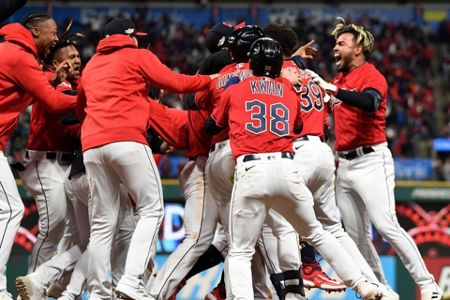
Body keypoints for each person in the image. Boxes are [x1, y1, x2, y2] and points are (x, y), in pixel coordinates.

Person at [210, 36, 385, 300]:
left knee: (240, 251)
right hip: (286, 168)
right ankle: (363, 284)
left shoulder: (236, 88)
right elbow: (298, 127)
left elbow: (210, 126)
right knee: (317, 232)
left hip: (251, 171)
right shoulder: (289, 88)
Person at [307, 20, 448, 300]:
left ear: (358, 48)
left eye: (341, 44)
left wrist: (332, 91)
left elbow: (370, 103)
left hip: (372, 160)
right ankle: (383, 289)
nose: (335, 48)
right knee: (357, 236)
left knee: (386, 225)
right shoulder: (339, 81)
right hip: (343, 164)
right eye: (335, 43)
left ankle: (429, 284)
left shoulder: (371, 75)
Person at [76, 18, 215, 300]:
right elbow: (176, 82)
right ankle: (131, 280)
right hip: (127, 139)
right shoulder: (138, 55)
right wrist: (210, 80)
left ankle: (100, 294)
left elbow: (81, 106)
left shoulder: (90, 65)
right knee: (151, 210)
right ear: (130, 37)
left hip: (91, 145)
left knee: (103, 224)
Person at [0, 12, 76, 300]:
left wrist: (51, 76)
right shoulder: (18, 55)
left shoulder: (11, 52)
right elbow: (54, 101)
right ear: (34, 32)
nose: (55, 38)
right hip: (37, 158)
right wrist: (94, 96)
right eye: (52, 32)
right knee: (10, 210)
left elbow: (29, 82)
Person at [17, 28, 82, 274]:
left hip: (67, 165)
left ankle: (52, 284)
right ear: (56, 63)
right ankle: (33, 285)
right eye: (70, 56)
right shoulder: (49, 80)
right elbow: (60, 103)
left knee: (73, 230)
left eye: (78, 56)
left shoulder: (79, 84)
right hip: (44, 161)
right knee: (54, 225)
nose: (76, 60)